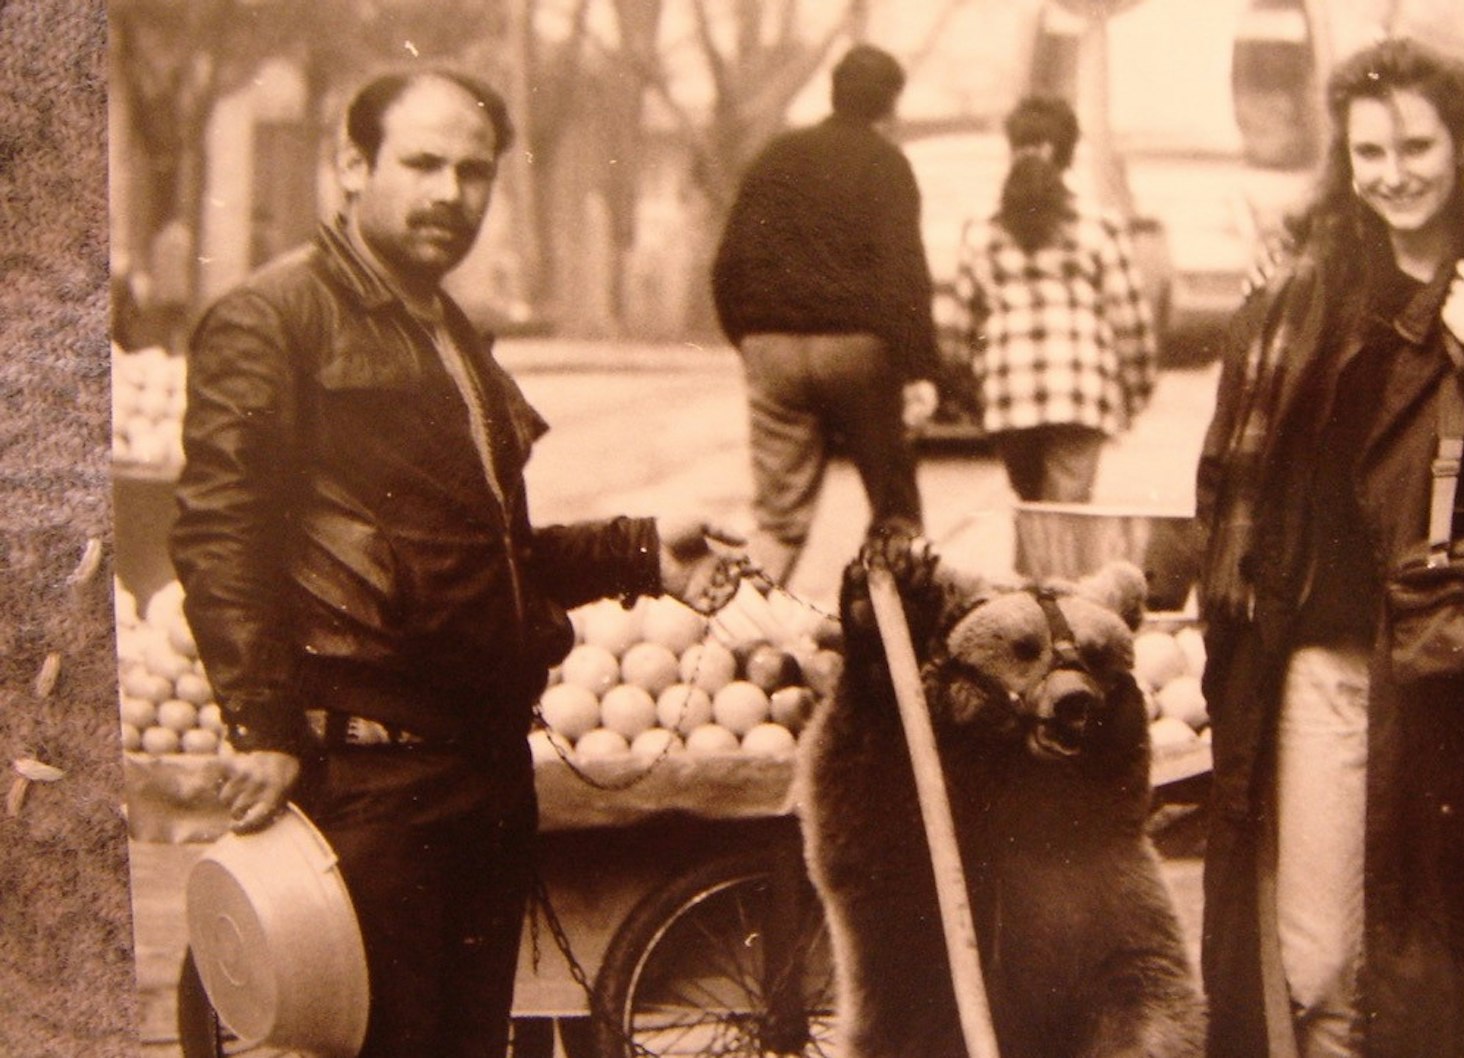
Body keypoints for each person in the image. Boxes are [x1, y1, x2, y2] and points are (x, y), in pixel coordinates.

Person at [171, 69, 737, 1058]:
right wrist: (259, 721)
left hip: (478, 777)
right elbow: (220, 528)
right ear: (351, 166)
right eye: (421, 164)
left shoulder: (449, 332)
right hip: (371, 786)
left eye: (473, 172)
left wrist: (643, 547)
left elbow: (491, 557)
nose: (448, 194)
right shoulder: (273, 318)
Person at [1194, 38, 1464, 1058]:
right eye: (1368, 152)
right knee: (1316, 958)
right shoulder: (1309, 287)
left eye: (1414, 144)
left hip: (1453, 681)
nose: (1392, 173)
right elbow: (1236, 476)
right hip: (1321, 662)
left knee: (1450, 973)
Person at [711, 43, 939, 587]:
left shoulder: (776, 156)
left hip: (772, 345)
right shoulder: (887, 164)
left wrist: (749, 338)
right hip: (859, 350)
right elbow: (905, 273)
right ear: (890, 105)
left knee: (779, 521)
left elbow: (728, 263)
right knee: (895, 509)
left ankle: (734, 641)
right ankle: (896, 643)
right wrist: (920, 367)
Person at [936, 96, 1156, 507]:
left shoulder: (981, 229)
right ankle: (1052, 573)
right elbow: (1129, 321)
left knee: (1033, 510)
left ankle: (1037, 572)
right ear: (1067, 153)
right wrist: (1137, 390)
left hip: (1008, 390)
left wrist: (973, 380)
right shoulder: (1100, 225)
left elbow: (963, 326)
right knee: (1065, 517)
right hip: (1081, 389)